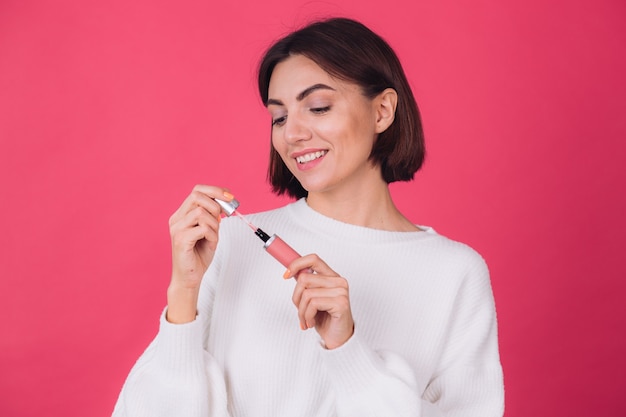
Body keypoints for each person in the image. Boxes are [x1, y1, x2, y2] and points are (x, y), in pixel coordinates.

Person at [112, 17, 504, 417]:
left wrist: (347, 349)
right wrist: (183, 294)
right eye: (279, 117)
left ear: (383, 111)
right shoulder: (227, 244)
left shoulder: (455, 273)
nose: (292, 134)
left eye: (317, 107)